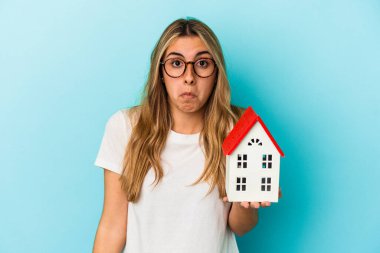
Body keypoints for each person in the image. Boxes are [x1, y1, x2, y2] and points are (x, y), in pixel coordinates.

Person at [92, 17, 281, 253]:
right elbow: (112, 226)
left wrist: (248, 202)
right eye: (176, 63)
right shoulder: (126, 127)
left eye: (202, 63)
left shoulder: (238, 128)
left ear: (216, 73)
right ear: (160, 72)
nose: (189, 77)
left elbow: (241, 227)